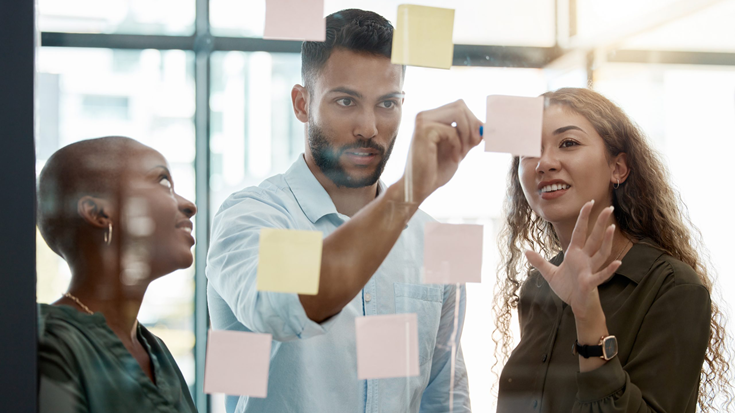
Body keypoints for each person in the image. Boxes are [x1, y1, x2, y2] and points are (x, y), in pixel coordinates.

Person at [206, 8, 483, 413]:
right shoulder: (254, 217)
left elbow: (444, 396)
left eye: (388, 103)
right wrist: (408, 193)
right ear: (302, 103)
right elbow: (290, 309)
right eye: (346, 101)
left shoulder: (433, 238)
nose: (368, 127)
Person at [493, 88, 732, 412]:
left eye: (568, 143)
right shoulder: (538, 286)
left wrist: (588, 315)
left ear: (618, 168)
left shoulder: (673, 287)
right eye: (530, 151)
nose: (545, 163)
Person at [37, 136, 198, 413]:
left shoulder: (155, 349)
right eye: (163, 183)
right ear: (99, 212)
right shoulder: (49, 342)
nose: (189, 205)